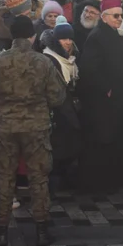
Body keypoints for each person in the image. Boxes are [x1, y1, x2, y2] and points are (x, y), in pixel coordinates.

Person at [0, 16, 67, 246]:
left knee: (4, 179)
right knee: (38, 178)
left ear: (11, 35)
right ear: (32, 36)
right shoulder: (44, 62)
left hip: (6, 127)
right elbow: (57, 97)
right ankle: (42, 231)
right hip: (36, 127)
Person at [78, 0, 123, 195]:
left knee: (114, 139)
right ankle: (100, 184)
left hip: (116, 99)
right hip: (102, 102)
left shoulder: (113, 34)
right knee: (102, 142)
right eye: (115, 16)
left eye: (120, 16)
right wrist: (107, 89)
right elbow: (89, 69)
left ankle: (114, 179)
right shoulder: (97, 37)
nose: (119, 19)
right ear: (104, 17)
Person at [42, 20, 81, 196]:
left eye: (70, 38)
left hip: (67, 110)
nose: (67, 42)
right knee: (57, 152)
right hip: (56, 113)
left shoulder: (70, 61)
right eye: (63, 39)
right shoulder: (49, 59)